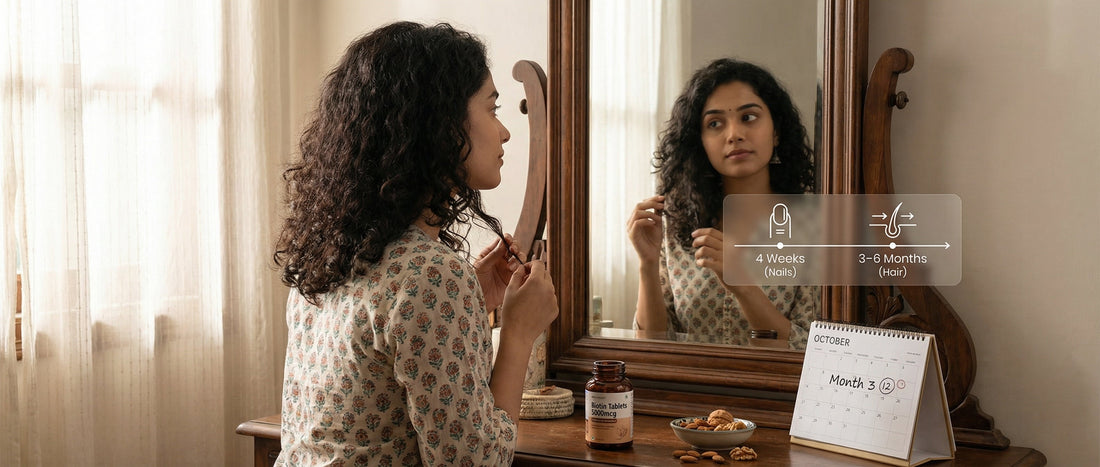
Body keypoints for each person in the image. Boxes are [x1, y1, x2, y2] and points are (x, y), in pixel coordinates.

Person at [272, 22, 558, 466]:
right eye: (492, 109)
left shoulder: (328, 258)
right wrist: (519, 333)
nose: (504, 133)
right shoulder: (430, 276)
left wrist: (472, 298)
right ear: (442, 125)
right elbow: (475, 463)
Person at [629, 58, 818, 349]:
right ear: (700, 143)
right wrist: (647, 264)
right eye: (715, 123)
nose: (734, 135)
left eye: (749, 117)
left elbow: (814, 350)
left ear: (777, 131)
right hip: (689, 392)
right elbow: (654, 346)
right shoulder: (678, 224)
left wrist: (742, 283)